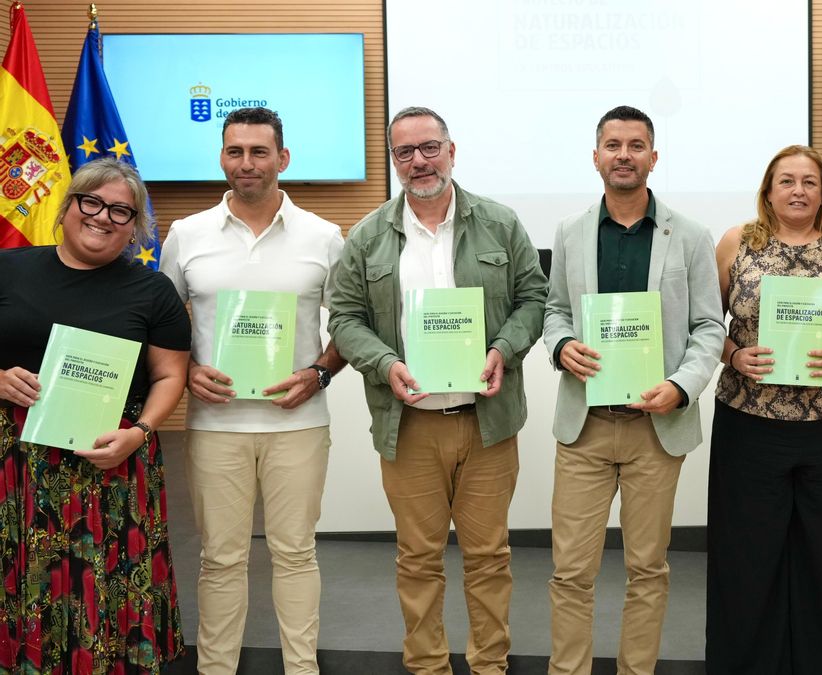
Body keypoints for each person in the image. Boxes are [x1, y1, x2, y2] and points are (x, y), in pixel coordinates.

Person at [328, 105, 547, 675]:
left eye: (430, 147)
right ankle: (426, 666)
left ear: (452, 151)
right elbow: (345, 318)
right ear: (395, 161)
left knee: (489, 557)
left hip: (487, 421)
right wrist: (384, 363)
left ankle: (490, 665)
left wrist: (503, 349)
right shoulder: (368, 236)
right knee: (418, 558)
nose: (419, 161)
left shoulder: (500, 223)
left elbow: (533, 300)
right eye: (406, 152)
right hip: (410, 424)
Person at [158, 107, 346, 675]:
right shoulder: (186, 235)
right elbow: (161, 324)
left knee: (295, 554)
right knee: (220, 559)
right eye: (235, 151)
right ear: (222, 157)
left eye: (259, 152)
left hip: (299, 424)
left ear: (282, 159)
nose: (247, 163)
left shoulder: (324, 236)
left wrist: (319, 372)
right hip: (215, 427)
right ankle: (216, 669)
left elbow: (351, 324)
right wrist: (187, 369)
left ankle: (301, 667)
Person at [542, 105, 724, 675]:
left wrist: (682, 386)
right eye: (613, 144)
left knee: (648, 568)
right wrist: (560, 345)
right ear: (596, 156)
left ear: (653, 156)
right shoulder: (571, 232)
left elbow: (709, 328)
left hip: (656, 428)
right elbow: (554, 311)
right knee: (571, 570)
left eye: (636, 144)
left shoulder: (690, 236)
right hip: (585, 426)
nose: (624, 154)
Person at [705, 145, 822, 673]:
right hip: (749, 421)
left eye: (809, 182)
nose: (798, 190)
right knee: (748, 555)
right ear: (768, 189)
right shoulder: (736, 242)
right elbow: (701, 324)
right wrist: (734, 354)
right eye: (786, 181)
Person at [0, 156, 191, 671]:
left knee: (108, 582)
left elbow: (171, 375)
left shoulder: (153, 290)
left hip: (114, 458)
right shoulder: (7, 267)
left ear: (134, 230)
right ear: (67, 208)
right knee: (17, 575)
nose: (104, 217)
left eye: (121, 212)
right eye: (92, 202)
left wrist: (143, 432)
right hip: (13, 466)